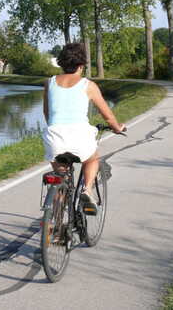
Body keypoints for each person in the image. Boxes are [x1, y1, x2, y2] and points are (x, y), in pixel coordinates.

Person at [42, 42, 125, 214]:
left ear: (61, 63)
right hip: (79, 137)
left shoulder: (49, 83)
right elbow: (107, 115)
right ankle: (87, 190)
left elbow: (47, 113)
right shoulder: (88, 85)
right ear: (82, 65)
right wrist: (117, 128)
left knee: (60, 177)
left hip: (55, 136)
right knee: (92, 159)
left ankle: (52, 227)